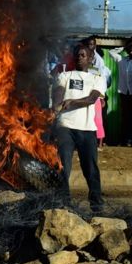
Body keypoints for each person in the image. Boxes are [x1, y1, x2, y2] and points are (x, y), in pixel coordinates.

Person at [53, 44, 107, 213]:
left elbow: (92, 99)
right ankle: (64, 203)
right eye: (77, 55)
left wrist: (72, 102)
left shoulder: (98, 78)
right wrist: (56, 105)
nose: (79, 57)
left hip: (86, 128)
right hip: (65, 127)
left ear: (91, 59)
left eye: (83, 55)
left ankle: (96, 205)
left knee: (91, 168)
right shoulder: (64, 75)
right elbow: (59, 95)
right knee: (63, 166)